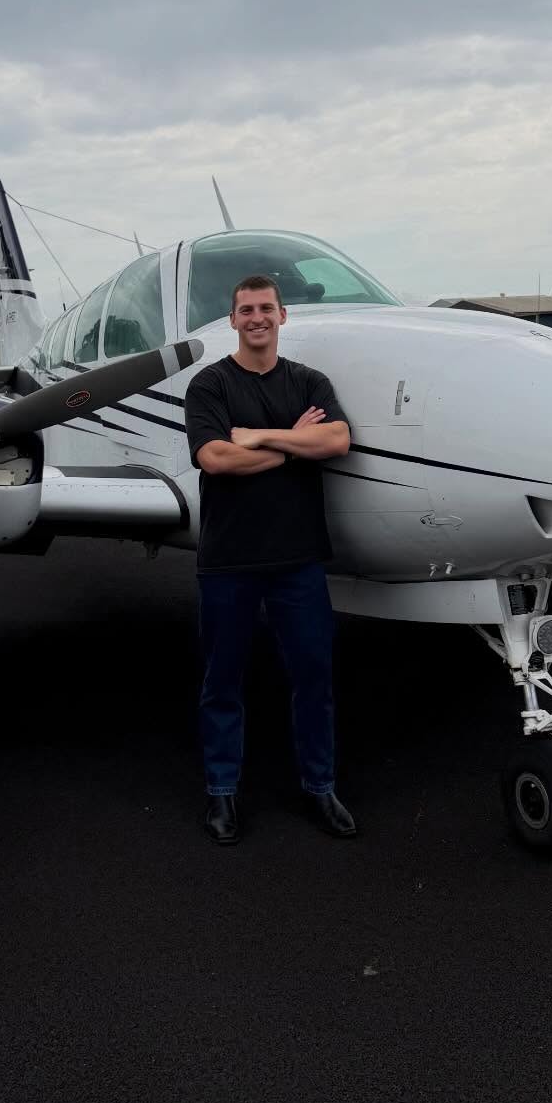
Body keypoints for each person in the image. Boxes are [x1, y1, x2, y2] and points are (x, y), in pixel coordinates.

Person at [183, 273, 356, 845]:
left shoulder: (309, 381)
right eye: (247, 310)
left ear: (283, 316)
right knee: (222, 682)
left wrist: (257, 437)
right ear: (233, 320)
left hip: (297, 559)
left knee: (313, 677)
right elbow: (215, 458)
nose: (256, 318)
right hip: (228, 560)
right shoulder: (209, 384)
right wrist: (293, 445)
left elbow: (336, 441)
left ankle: (320, 787)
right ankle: (222, 792)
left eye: (266, 308)